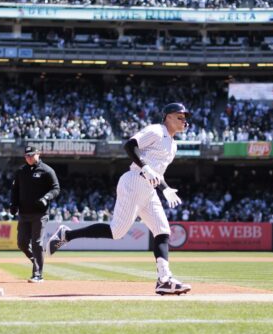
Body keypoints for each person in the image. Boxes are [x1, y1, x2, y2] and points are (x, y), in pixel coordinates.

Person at [47, 103, 191, 295]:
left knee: (163, 231)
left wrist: (165, 189)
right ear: (168, 117)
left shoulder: (173, 144)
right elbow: (130, 145)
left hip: (149, 190)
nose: (184, 120)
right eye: (180, 116)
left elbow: (158, 173)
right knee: (116, 232)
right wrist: (146, 168)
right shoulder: (157, 130)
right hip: (133, 182)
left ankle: (164, 280)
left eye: (185, 117)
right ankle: (67, 235)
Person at [11, 145, 60, 283]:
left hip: (40, 214)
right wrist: (13, 204)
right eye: (26, 155)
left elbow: (56, 188)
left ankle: (38, 274)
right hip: (24, 213)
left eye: (31, 155)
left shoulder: (47, 170)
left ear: (38, 154)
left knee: (37, 243)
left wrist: (46, 197)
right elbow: (14, 190)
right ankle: (36, 260)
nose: (29, 158)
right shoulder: (21, 171)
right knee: (21, 244)